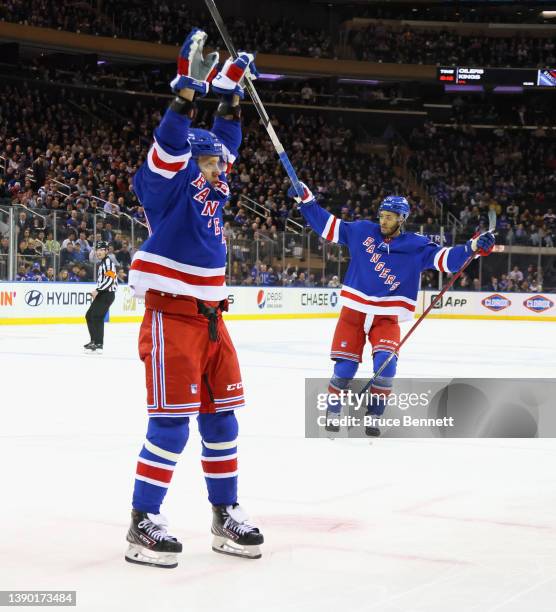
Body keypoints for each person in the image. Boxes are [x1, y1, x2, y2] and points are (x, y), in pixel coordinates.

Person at [125, 28, 263, 569]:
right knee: (171, 424)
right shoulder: (165, 182)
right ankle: (142, 523)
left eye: (219, 164)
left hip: (212, 320)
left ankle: (223, 513)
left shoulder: (213, 178)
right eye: (208, 163)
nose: (219, 169)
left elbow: (226, 138)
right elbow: (169, 143)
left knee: (222, 419)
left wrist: (232, 94)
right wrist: (185, 95)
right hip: (171, 317)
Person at [289, 185, 495, 436]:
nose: (383, 220)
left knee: (386, 368)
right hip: (354, 312)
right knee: (344, 368)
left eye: (389, 216)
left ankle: (374, 415)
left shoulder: (416, 246)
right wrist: (307, 201)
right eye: (382, 215)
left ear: (402, 219)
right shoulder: (361, 231)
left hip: (387, 316)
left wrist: (471, 248)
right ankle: (333, 410)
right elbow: (327, 225)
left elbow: (447, 260)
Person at [84, 240, 117, 353]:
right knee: (89, 315)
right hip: (103, 293)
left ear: (107, 251)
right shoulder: (103, 262)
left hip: (107, 294)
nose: (99, 252)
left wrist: (97, 290)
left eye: (102, 250)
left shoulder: (108, 262)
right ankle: (94, 341)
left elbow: (110, 279)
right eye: (97, 250)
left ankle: (99, 344)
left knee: (97, 317)